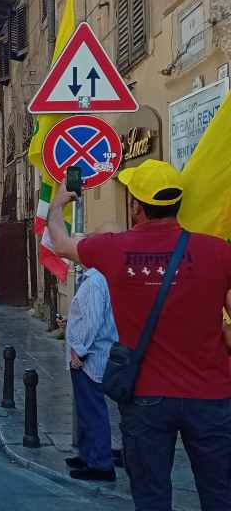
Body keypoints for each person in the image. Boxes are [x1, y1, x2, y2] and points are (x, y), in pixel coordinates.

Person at [47, 159, 231, 509]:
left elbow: (60, 243)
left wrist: (58, 203)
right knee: (219, 494)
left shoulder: (115, 248)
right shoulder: (218, 251)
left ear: (137, 207)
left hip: (147, 398)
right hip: (211, 395)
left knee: (150, 497)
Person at [65, 266, 119, 482]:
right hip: (87, 355)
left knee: (93, 410)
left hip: (90, 358)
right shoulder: (92, 279)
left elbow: (92, 320)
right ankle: (87, 455)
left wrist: (80, 349)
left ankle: (101, 463)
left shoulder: (96, 282)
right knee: (84, 410)